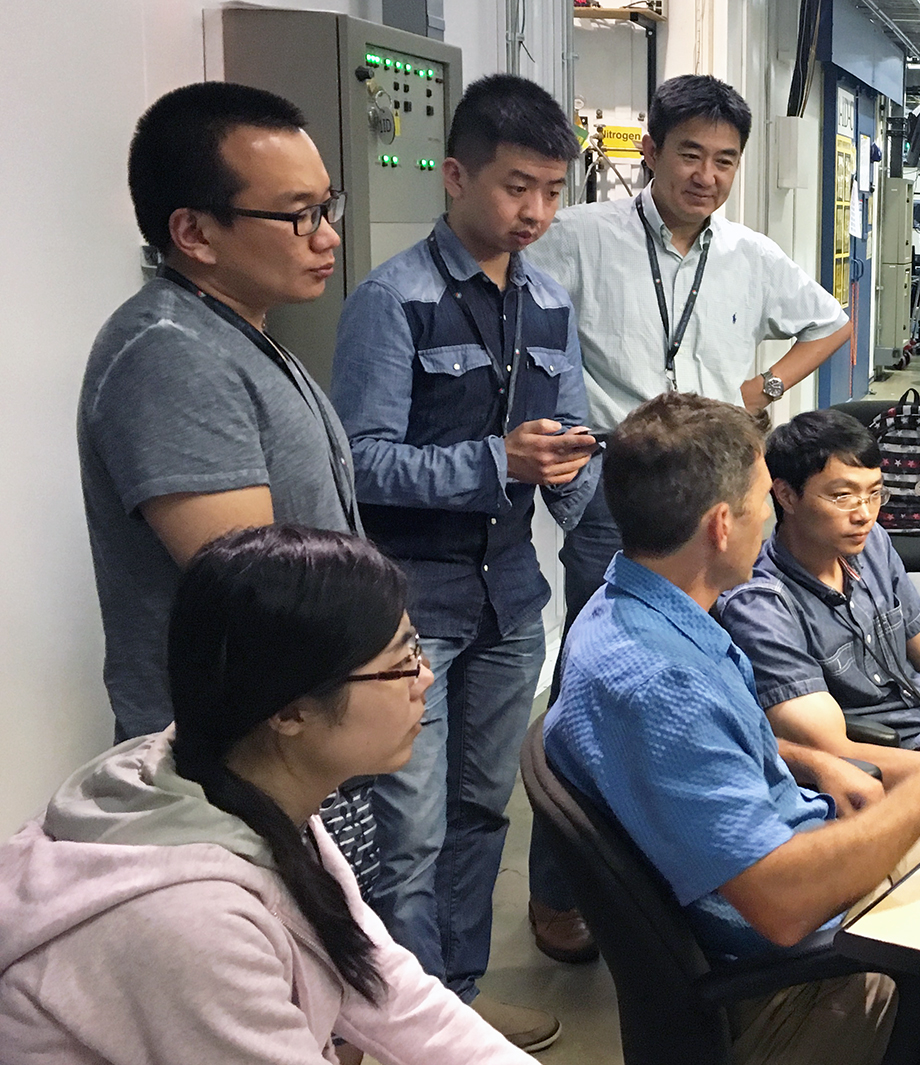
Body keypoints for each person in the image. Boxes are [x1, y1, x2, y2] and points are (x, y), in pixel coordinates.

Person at [544, 394, 920, 1064]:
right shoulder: (663, 682)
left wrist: (811, 762)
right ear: (722, 525)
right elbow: (783, 904)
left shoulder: (628, 615)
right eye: (762, 500)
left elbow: (708, 747)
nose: (770, 517)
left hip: (826, 893)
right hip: (805, 989)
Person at [0, 526, 541, 1065]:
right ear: (288, 712)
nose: (424, 679)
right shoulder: (191, 923)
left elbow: (386, 987)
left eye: (415, 648)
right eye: (400, 664)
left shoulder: (240, 788)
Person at [330, 74, 595, 1045]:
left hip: (509, 603)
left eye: (553, 192)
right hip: (411, 609)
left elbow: (568, 449)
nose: (537, 212)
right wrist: (498, 461)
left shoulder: (549, 302)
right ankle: (411, 1032)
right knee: (409, 830)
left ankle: (462, 1001)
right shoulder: (391, 300)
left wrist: (612, 501)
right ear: (455, 177)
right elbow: (360, 461)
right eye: (517, 186)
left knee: (485, 810)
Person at [79, 81, 380, 896]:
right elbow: (259, 585)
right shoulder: (170, 355)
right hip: (233, 772)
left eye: (326, 206)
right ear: (194, 231)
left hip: (292, 748)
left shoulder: (240, 333)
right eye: (297, 216)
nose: (327, 235)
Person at [526, 74, 854, 629]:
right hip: (617, 481)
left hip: (720, 479)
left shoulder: (752, 255)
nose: (707, 176)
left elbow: (831, 324)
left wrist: (764, 389)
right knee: (605, 635)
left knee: (723, 630)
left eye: (725, 161)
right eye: (691, 155)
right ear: (652, 151)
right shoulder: (576, 237)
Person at [719, 408, 920, 786]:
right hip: (905, 768)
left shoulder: (871, 544)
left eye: (875, 494)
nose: (865, 515)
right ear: (786, 496)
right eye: (843, 496)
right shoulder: (762, 606)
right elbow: (832, 750)